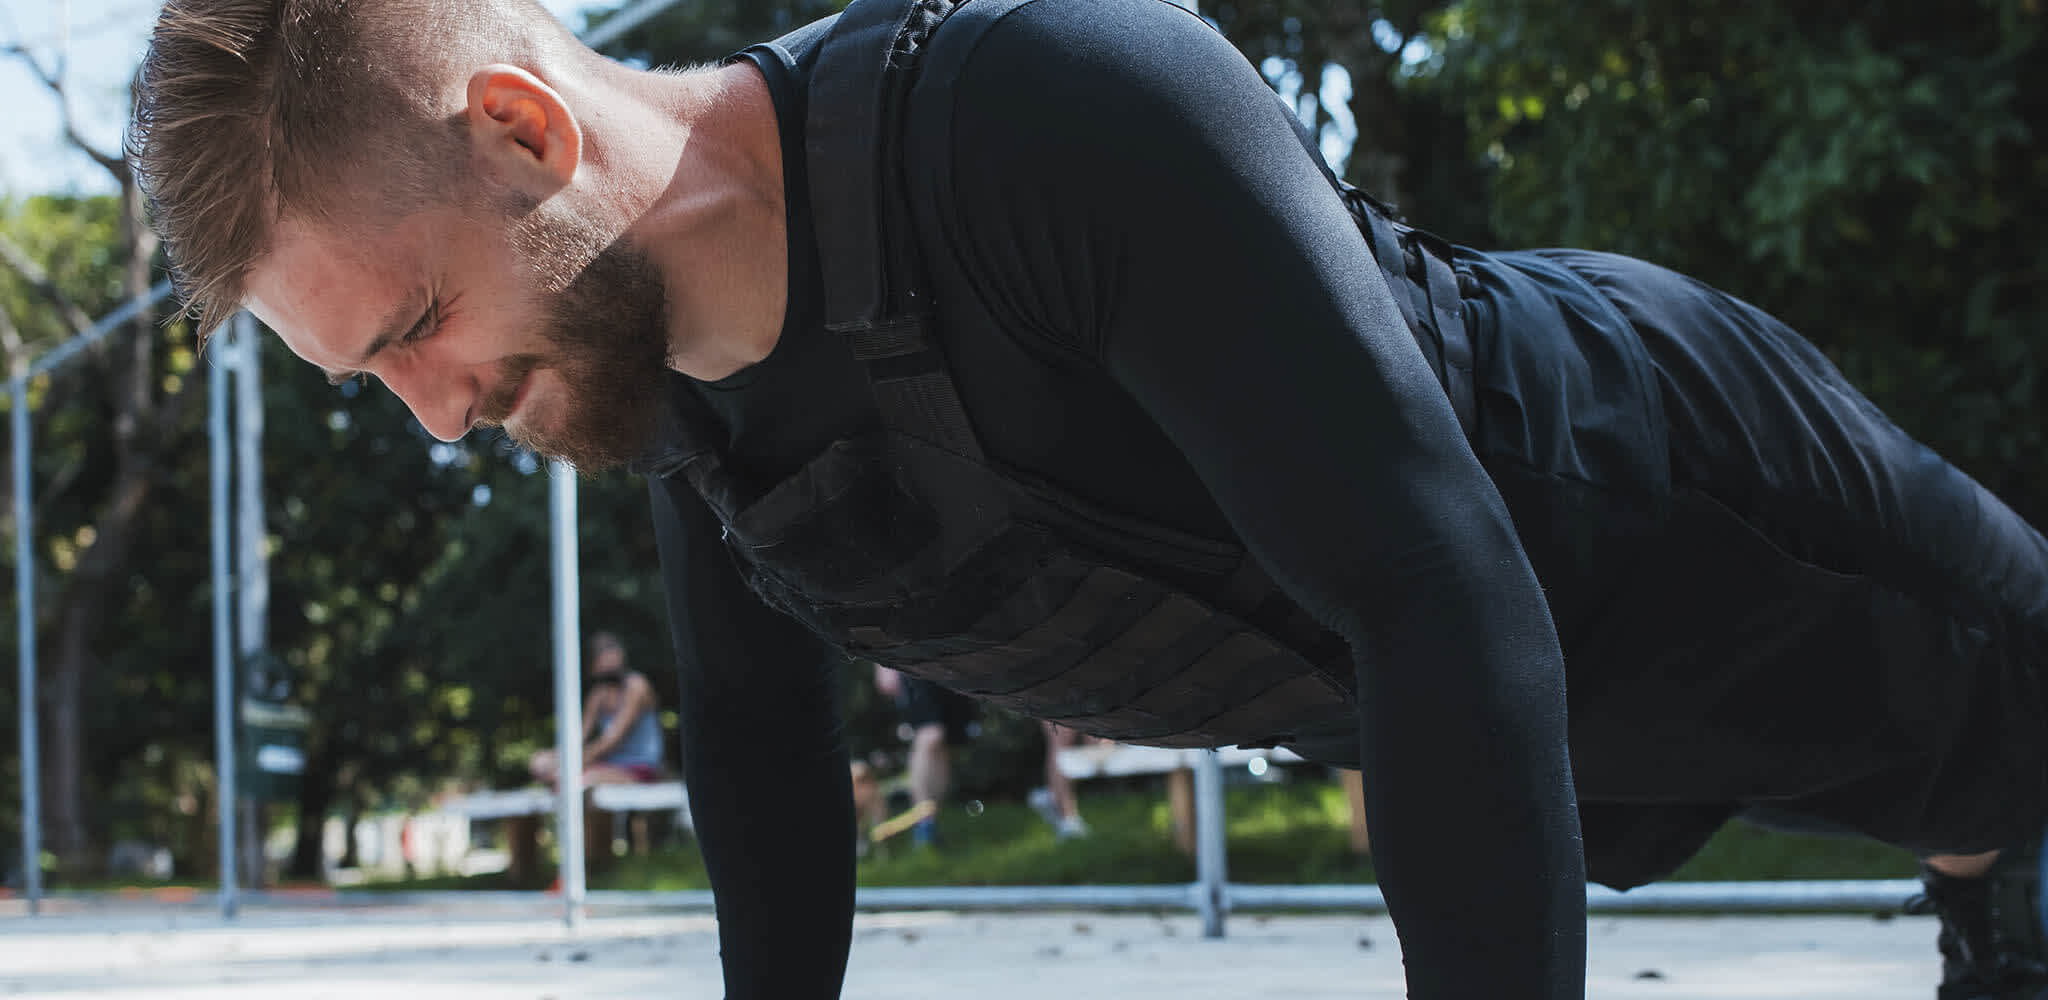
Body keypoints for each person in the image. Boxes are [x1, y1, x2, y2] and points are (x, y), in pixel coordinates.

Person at [127, 1, 2048, 997]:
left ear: (523, 131)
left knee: (2007, 756)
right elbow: (763, 761)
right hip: (1556, 737)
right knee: (1918, 799)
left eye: (418, 328)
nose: (439, 418)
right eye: (366, 383)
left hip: (1671, 488)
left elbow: (1432, 591)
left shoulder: (1040, 113)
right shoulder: (669, 379)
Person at [528, 632, 663, 787]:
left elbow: (612, 740)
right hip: (609, 766)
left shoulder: (636, 686)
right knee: (544, 764)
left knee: (578, 782)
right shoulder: (599, 693)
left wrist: (570, 762)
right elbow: (578, 737)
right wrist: (552, 758)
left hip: (640, 768)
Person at [871, 662, 979, 846]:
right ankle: (923, 824)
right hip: (908, 656)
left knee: (943, 744)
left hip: (949, 655)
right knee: (930, 734)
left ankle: (930, 822)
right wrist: (882, 666)